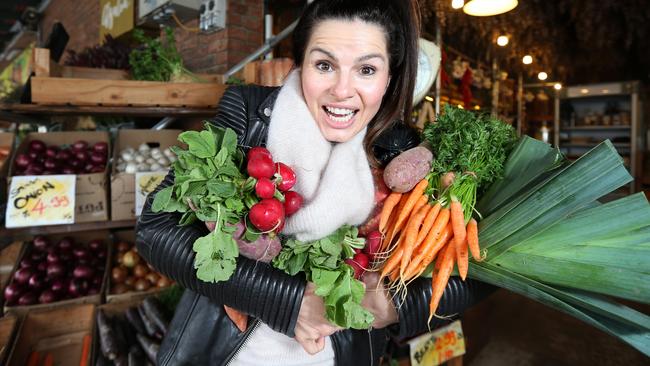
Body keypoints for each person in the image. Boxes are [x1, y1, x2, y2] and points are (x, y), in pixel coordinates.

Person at [136, 0, 492, 365]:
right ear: (301, 63)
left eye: (367, 69)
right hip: (228, 354)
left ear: (389, 78)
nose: (342, 90)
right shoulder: (250, 115)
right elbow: (155, 230)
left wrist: (398, 304)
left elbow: (483, 273)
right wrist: (288, 303)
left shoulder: (403, 153)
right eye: (324, 65)